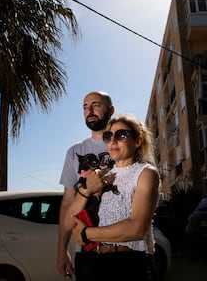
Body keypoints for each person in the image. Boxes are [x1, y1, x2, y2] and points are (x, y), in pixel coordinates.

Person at [64, 115, 160, 281]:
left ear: (138, 141)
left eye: (121, 135)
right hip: (89, 263)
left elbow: (137, 229)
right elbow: (67, 223)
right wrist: (87, 191)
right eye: (108, 136)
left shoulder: (145, 173)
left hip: (125, 265)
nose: (112, 141)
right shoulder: (100, 175)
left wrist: (86, 234)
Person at [56, 91, 115, 279]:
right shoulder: (74, 152)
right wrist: (61, 250)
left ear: (110, 110)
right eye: (85, 106)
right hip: (88, 254)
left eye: (95, 105)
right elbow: (67, 202)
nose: (89, 110)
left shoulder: (124, 145)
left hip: (125, 250)